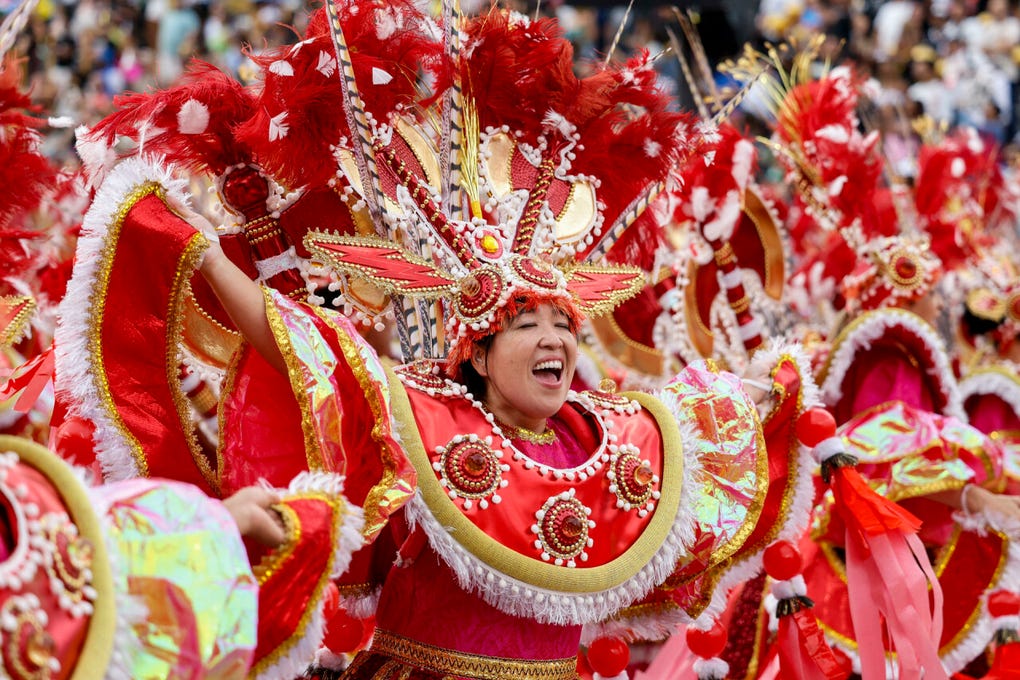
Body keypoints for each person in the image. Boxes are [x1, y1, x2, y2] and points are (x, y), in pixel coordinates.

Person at [53, 4, 798, 677]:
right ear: (473, 351)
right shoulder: (421, 415)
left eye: (565, 325)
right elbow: (300, 349)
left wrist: (782, 387)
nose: (555, 341)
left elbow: (705, 423)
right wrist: (193, 245)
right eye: (528, 324)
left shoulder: (604, 433)